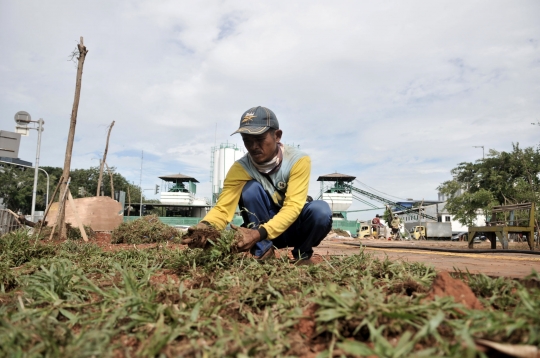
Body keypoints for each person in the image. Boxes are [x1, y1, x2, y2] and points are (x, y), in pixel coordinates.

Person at [182, 106, 333, 263]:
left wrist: (257, 233)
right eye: (247, 141)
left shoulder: (297, 161)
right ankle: (263, 251)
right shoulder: (240, 168)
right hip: (261, 232)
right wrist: (204, 227)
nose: (253, 146)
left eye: (260, 139)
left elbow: (293, 207)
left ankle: (302, 254)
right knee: (250, 190)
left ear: (277, 136)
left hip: (292, 228)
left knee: (320, 211)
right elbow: (223, 208)